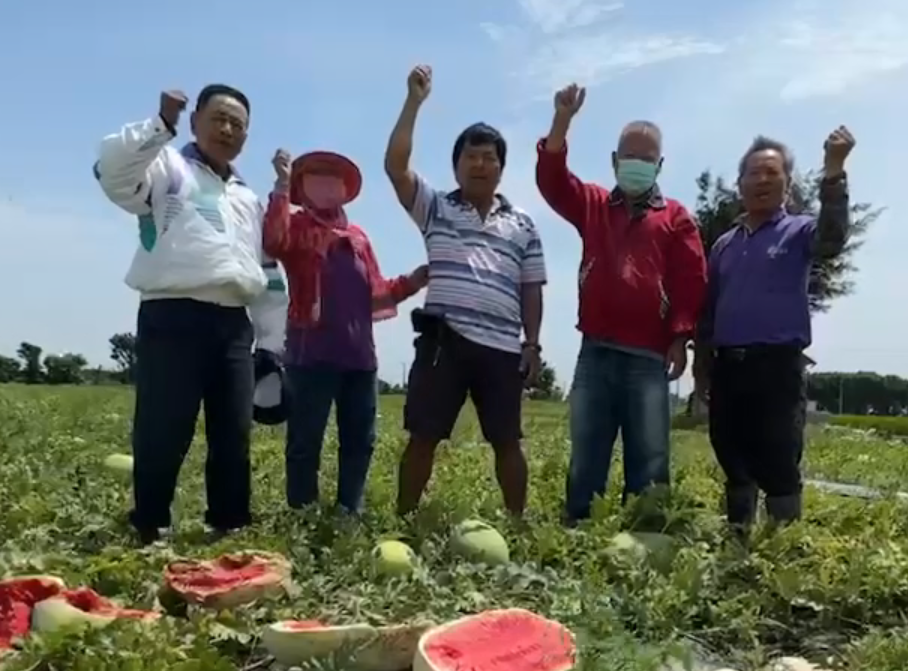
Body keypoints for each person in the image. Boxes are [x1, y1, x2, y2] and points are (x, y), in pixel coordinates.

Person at [94, 84, 275, 545]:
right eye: (219, 118)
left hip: (235, 323)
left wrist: (272, 342)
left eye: (238, 124)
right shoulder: (165, 165)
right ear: (195, 122)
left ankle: (229, 525)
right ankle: (150, 524)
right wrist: (159, 126)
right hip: (173, 314)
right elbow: (113, 173)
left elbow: (261, 267)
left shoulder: (246, 197)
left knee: (233, 433)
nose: (228, 129)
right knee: (163, 427)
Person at [534, 82, 708, 525]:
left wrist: (681, 337)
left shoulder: (676, 217)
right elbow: (553, 182)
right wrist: (562, 120)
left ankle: (648, 536)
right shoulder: (593, 205)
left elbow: (691, 280)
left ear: (660, 165)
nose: (637, 165)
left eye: (647, 158)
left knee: (649, 457)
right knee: (587, 453)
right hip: (595, 351)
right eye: (630, 156)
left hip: (648, 357)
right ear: (614, 161)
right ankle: (576, 532)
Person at [384, 64, 548, 519]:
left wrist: (531, 344)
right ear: (456, 164)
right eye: (471, 155)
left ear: (501, 167)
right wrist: (414, 102)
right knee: (423, 436)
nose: (480, 163)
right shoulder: (435, 207)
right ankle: (405, 519)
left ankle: (517, 522)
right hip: (445, 342)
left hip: (501, 348)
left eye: (489, 156)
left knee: (508, 440)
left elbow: (531, 288)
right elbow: (395, 168)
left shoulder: (523, 225)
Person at [691, 128, 856, 534]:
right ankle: (739, 540)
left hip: (777, 366)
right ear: (739, 183)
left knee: (779, 458)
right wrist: (702, 368)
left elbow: (832, 240)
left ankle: (782, 551)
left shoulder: (799, 231)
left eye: (772, 172)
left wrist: (834, 172)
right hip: (729, 367)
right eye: (753, 173)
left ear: (788, 183)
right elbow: (710, 311)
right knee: (732, 455)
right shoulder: (724, 245)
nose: (762, 180)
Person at [262, 147, 429, 514]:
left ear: (344, 188)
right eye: (314, 177)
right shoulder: (297, 228)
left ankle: (348, 510)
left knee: (360, 439)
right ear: (301, 188)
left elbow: (376, 291)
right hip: (310, 354)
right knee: (306, 440)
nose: (326, 183)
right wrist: (280, 185)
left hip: (359, 357)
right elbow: (272, 242)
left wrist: (412, 282)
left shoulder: (358, 238)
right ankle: (303, 511)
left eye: (333, 177)